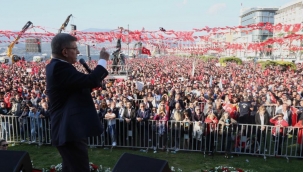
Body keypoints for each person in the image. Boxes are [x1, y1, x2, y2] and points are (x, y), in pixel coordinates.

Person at [46, 33, 109, 172]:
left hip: (67, 130)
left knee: (71, 168)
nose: (78, 52)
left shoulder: (55, 66)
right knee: (79, 168)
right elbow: (90, 80)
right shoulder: (60, 68)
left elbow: (78, 87)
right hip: (69, 130)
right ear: (65, 51)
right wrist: (103, 61)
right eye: (75, 48)